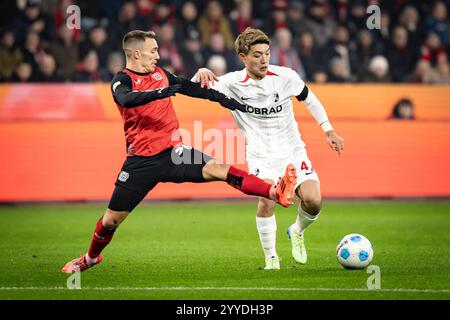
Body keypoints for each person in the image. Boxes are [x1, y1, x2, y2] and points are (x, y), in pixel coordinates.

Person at [61, 30, 297, 273]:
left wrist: (227, 101)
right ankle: (89, 258)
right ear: (136, 53)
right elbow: (126, 99)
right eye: (153, 50)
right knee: (111, 220)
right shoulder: (123, 80)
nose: (157, 54)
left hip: (175, 153)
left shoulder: (161, 74)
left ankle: (274, 192)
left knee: (220, 169)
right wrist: (160, 93)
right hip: (141, 161)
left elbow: (189, 88)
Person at [193, 28, 344, 270]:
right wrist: (199, 73)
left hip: (293, 150)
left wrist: (328, 131)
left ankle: (296, 231)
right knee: (267, 201)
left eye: (267, 53)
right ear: (243, 57)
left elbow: (309, 99)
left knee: (314, 201)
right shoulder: (231, 83)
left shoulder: (285, 76)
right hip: (260, 154)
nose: (264, 60)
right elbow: (194, 89)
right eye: (257, 55)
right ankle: (271, 257)